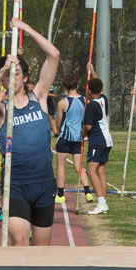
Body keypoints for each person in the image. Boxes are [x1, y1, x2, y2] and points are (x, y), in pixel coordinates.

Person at [0, 17, 60, 246]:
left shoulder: (40, 98)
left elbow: (53, 55)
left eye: (15, 73)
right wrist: (4, 68)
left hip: (44, 184)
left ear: (25, 77)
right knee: (20, 239)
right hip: (16, 185)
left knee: (41, 250)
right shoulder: (1, 111)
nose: (10, 77)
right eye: (7, 75)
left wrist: (25, 28)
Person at [53, 74, 90, 205]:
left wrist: (56, 131)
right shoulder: (85, 101)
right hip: (78, 137)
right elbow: (87, 121)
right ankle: (88, 192)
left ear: (65, 86)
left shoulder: (62, 103)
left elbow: (58, 122)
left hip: (65, 137)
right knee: (78, 166)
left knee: (60, 165)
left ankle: (60, 194)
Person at [83, 64, 113, 216]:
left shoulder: (90, 106)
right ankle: (104, 203)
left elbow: (88, 127)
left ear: (89, 90)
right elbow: (98, 84)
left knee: (90, 170)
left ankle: (101, 203)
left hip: (97, 140)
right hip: (107, 140)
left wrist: (82, 136)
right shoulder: (104, 99)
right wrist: (93, 71)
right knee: (100, 170)